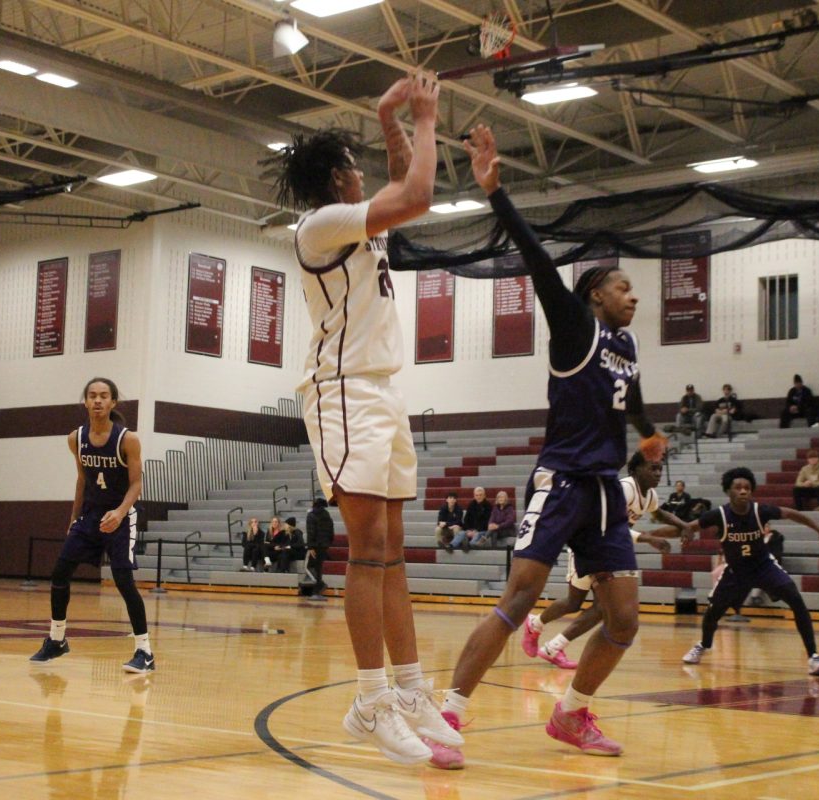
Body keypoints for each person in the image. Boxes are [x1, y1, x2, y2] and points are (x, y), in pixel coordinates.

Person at [433, 124, 669, 767]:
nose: (634, 296)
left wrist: (649, 435)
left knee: (623, 620)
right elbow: (538, 261)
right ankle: (448, 713)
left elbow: (634, 400)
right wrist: (496, 193)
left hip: (603, 492)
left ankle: (571, 715)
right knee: (519, 598)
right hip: (562, 479)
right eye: (624, 288)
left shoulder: (628, 347)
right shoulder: (575, 327)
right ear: (597, 294)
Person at [272, 70, 458, 765]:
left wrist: (389, 116)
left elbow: (401, 183)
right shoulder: (321, 226)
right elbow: (419, 193)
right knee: (369, 548)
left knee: (394, 552)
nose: (363, 176)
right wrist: (428, 116)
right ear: (336, 178)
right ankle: (369, 698)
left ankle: (409, 690)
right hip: (343, 391)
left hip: (380, 389)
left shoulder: (358, 218)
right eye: (354, 167)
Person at [29, 378, 153, 674]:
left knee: (124, 582)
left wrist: (121, 512)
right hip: (89, 517)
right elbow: (83, 479)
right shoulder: (76, 438)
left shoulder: (128, 439)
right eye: (92, 396)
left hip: (120, 518)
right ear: (85, 402)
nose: (97, 401)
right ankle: (57, 640)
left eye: (104, 396)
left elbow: (137, 483)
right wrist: (73, 518)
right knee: (60, 574)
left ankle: (145, 652)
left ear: (113, 403)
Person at [522, 452, 690, 669]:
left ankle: (552, 646)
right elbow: (611, 526)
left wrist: (684, 525)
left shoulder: (649, 495)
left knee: (602, 608)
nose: (657, 473)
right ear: (634, 470)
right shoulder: (624, 489)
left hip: (607, 549)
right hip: (588, 544)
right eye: (652, 468)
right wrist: (648, 538)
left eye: (659, 468)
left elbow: (659, 514)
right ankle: (536, 626)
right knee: (576, 602)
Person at [681, 467, 819, 676]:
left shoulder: (760, 510)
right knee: (712, 614)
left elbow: (793, 514)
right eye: (738, 487)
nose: (743, 491)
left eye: (747, 487)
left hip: (763, 566)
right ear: (728, 491)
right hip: (736, 571)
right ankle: (704, 645)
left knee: (796, 599)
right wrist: (652, 536)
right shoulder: (719, 515)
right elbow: (686, 527)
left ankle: (814, 657)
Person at [304, 497, 334, 600]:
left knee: (309, 567)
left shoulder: (311, 515)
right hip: (324, 545)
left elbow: (311, 531)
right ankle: (319, 586)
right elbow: (331, 530)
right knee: (319, 567)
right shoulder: (327, 515)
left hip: (315, 545)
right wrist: (328, 543)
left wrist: (310, 546)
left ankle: (318, 588)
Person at [458, 486, 493, 551]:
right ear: (474, 496)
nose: (478, 497)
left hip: (482, 530)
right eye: (476, 495)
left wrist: (476, 530)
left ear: (484, 495)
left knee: (477, 534)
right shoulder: (471, 505)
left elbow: (487, 522)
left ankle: (468, 545)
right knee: (461, 533)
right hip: (471, 529)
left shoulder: (488, 506)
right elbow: (466, 519)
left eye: (480, 495)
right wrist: (468, 530)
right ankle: (450, 545)